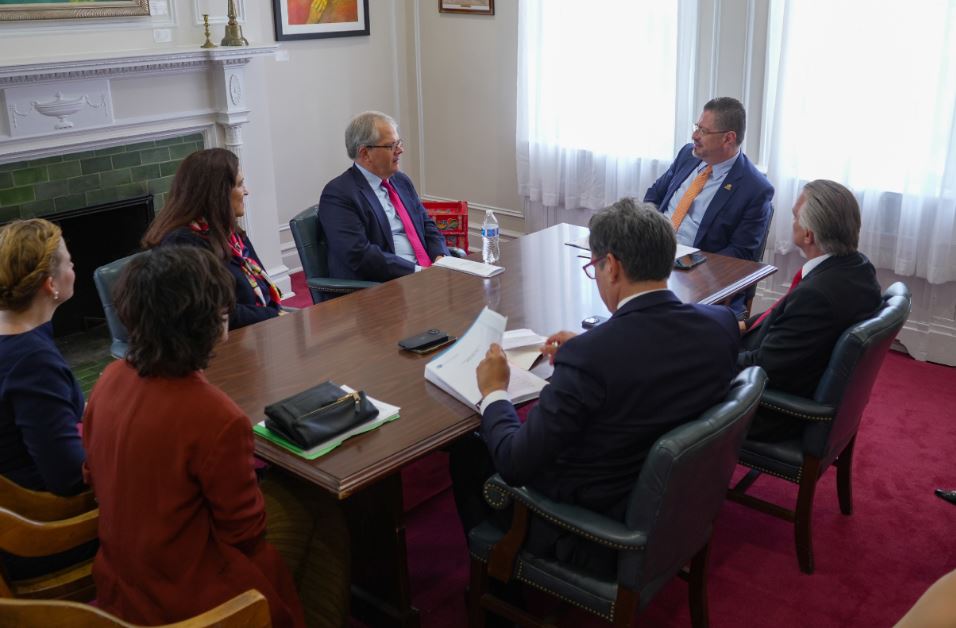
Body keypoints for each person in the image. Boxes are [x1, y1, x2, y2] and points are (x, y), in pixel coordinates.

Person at [450, 198, 740, 574]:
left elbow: (514, 462)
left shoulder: (591, 359)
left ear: (613, 267)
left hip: (600, 530)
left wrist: (494, 392)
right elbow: (651, 354)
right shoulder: (720, 324)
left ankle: (499, 590)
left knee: (468, 451)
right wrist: (589, 347)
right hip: (676, 505)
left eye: (594, 267)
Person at [82, 246, 305, 627]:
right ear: (208, 322)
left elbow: (93, 473)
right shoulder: (215, 415)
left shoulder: (108, 379)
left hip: (119, 574)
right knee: (315, 510)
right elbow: (245, 531)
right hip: (186, 594)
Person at [738, 179, 882, 439]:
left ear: (808, 234)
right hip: (791, 374)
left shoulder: (816, 297)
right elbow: (781, 317)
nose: (791, 220)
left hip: (769, 410)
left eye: (795, 216)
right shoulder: (856, 267)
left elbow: (762, 368)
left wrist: (707, 353)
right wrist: (739, 325)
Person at [644, 97, 773, 315]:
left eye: (703, 131)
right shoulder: (687, 155)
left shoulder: (754, 188)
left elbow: (741, 254)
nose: (694, 135)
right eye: (697, 127)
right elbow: (654, 195)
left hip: (695, 276)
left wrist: (683, 262)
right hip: (650, 258)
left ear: (728, 138)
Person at [141, 148, 284, 330]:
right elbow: (212, 312)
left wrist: (275, 315)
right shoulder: (181, 244)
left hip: (257, 330)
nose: (246, 192)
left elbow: (263, 288)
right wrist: (275, 315)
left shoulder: (232, 234)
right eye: (240, 185)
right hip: (219, 345)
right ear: (218, 193)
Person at [0, 219, 84, 496]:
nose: (73, 268)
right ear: (50, 285)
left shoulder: (13, 337)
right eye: (69, 263)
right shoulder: (32, 361)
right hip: (43, 515)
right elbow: (69, 476)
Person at [318, 111, 448, 284]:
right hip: (386, 285)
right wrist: (418, 272)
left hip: (426, 275)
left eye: (399, 143)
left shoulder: (401, 180)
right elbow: (359, 255)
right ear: (365, 154)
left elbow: (426, 224)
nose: (400, 150)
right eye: (391, 146)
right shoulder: (338, 193)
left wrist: (440, 257)